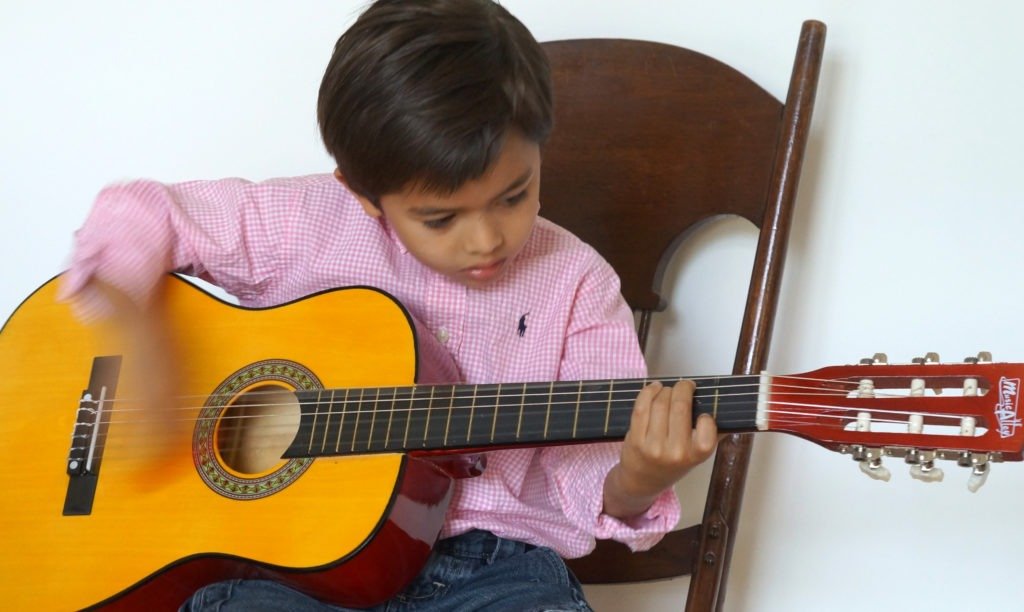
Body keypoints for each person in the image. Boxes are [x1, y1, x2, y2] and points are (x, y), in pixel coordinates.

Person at [59, 0, 718, 610]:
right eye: (440, 217)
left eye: (513, 196)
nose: (487, 237)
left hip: (494, 566)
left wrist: (635, 476)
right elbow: (141, 211)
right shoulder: (304, 224)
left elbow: (585, 472)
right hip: (285, 565)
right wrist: (138, 334)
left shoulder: (576, 283)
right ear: (364, 193)